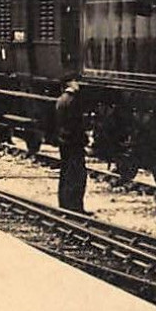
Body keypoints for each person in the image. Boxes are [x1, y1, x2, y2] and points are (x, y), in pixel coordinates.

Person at [54, 77, 88, 214]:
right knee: (78, 174)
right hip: (74, 142)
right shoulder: (74, 101)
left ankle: (64, 204)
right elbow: (77, 124)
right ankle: (76, 207)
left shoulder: (61, 100)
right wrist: (84, 139)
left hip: (64, 140)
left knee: (65, 172)